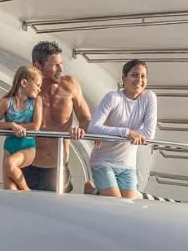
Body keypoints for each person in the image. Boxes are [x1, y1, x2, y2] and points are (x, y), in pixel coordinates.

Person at [24, 40, 90, 194]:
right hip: (28, 165)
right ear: (38, 66)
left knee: (59, 208)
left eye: (61, 64)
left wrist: (80, 130)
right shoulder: (26, 89)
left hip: (59, 168)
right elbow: (1, 112)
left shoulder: (70, 85)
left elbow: (86, 118)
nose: (61, 69)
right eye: (55, 65)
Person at [86, 59, 157, 198]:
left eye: (143, 76)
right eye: (134, 75)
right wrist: (126, 133)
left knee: (128, 204)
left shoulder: (149, 98)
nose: (139, 80)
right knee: (115, 200)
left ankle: (93, 191)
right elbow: (93, 128)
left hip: (128, 165)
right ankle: (93, 190)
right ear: (124, 78)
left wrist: (128, 134)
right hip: (103, 162)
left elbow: (149, 133)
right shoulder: (113, 97)